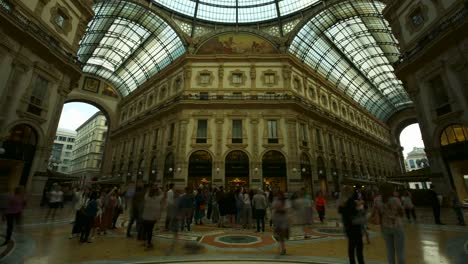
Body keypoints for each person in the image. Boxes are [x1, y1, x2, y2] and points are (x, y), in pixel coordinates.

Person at [373, 183, 405, 264]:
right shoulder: (395, 200)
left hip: (385, 227)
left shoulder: (377, 200)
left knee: (389, 250)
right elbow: (401, 213)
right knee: (400, 251)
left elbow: (375, 212)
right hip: (397, 226)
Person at [339, 185, 365, 264]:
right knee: (359, 248)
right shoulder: (351, 202)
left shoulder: (342, 203)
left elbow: (342, 212)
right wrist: (360, 206)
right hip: (355, 227)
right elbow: (354, 212)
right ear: (350, 192)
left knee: (351, 247)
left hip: (348, 228)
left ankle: (352, 262)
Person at [272, 191, 289, 255]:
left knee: (282, 235)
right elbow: (273, 208)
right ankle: (282, 248)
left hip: (283, 220)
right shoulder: (276, 201)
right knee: (278, 235)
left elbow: (287, 210)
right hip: (278, 220)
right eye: (278, 195)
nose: (279, 197)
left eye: (280, 195)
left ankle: (282, 248)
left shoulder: (286, 202)